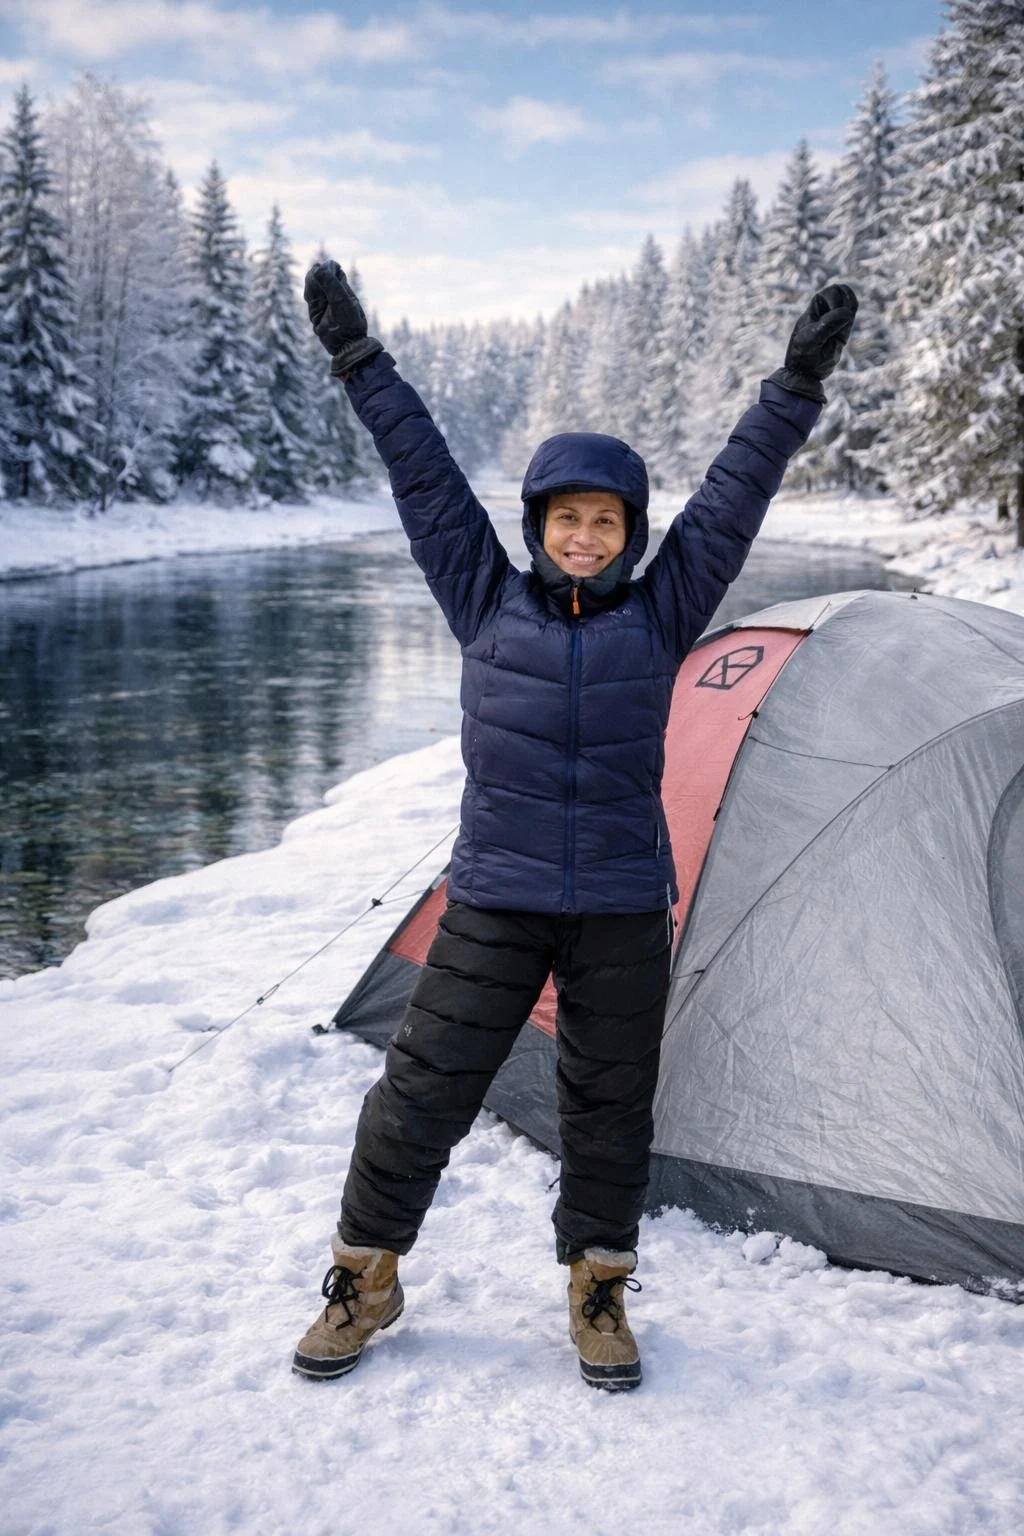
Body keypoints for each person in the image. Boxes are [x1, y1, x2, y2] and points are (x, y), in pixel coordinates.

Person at [293, 261, 858, 1390]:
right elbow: (424, 476)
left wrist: (795, 384)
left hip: (616, 908)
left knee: (607, 1107)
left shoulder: (663, 613)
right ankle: (365, 1273)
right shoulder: (482, 596)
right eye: (567, 519)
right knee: (417, 1096)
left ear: (631, 533)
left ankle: (597, 1284)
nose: (586, 536)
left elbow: (735, 494)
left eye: (606, 521)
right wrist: (361, 362)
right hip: (491, 899)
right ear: (538, 525)